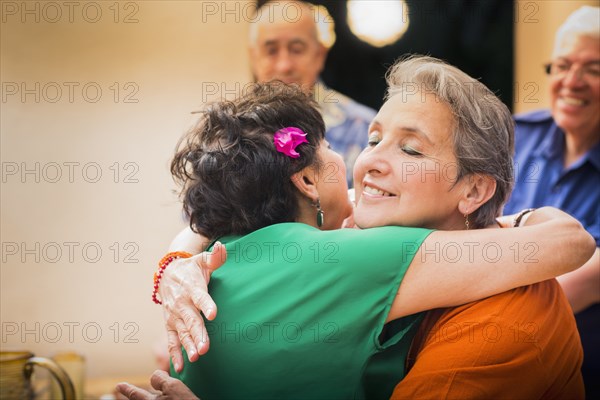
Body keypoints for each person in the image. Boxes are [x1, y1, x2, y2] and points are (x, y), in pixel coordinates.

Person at [119, 57, 594, 400]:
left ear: (473, 191)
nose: (367, 163)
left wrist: (177, 261)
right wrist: (178, 258)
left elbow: (571, 243)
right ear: (303, 180)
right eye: (372, 139)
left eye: (410, 150)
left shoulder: (508, 316)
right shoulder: (346, 248)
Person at [503, 6, 600, 398]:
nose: (572, 82)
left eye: (593, 69)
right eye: (562, 65)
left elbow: (586, 282)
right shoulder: (514, 138)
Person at [247, 0, 375, 185]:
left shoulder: (364, 129)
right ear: (254, 56)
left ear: (319, 55)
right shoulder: (228, 133)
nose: (284, 65)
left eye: (297, 50)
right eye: (271, 50)